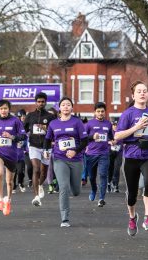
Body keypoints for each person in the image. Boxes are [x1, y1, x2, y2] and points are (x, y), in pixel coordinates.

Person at [114, 80, 148, 236]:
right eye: (139, 91)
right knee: (132, 193)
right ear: (133, 95)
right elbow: (118, 136)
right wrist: (136, 127)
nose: (143, 93)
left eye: (145, 91)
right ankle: (132, 217)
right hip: (131, 156)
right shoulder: (128, 114)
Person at [43, 97, 88, 227]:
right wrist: (46, 150)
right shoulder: (53, 124)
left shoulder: (77, 122)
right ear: (60, 108)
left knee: (75, 191)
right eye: (63, 105)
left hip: (76, 159)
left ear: (72, 108)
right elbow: (47, 139)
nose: (66, 107)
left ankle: (75, 189)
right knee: (63, 187)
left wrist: (75, 151)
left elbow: (85, 141)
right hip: (59, 158)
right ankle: (65, 218)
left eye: (68, 105)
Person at [0, 99, 26, 216]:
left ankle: (8, 201)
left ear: (9, 109)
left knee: (9, 182)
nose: (3, 111)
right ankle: (0, 200)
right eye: (1, 109)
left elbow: (23, 136)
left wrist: (12, 136)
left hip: (12, 154)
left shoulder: (15, 121)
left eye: (5, 108)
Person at [24, 92, 56, 207]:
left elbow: (55, 131)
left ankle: (40, 184)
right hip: (33, 146)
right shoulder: (30, 116)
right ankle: (36, 197)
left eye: (42, 102)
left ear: (45, 102)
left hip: (46, 147)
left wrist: (47, 131)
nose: (40, 103)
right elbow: (23, 130)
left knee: (44, 172)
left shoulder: (51, 117)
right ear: (35, 102)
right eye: (38, 101)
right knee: (36, 169)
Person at [84, 102, 113, 207]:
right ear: (94, 112)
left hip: (104, 154)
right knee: (91, 177)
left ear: (105, 112)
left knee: (103, 175)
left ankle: (101, 198)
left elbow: (111, 137)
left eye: (102, 111)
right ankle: (93, 189)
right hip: (91, 154)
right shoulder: (89, 124)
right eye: (98, 111)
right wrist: (92, 137)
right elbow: (83, 138)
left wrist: (112, 141)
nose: (100, 113)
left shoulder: (108, 124)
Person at [13, 109, 27, 193]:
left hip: (21, 154)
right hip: (13, 153)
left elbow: (26, 139)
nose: (22, 118)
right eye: (21, 117)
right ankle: (13, 186)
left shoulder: (24, 128)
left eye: (23, 116)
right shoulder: (12, 128)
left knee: (20, 171)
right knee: (13, 171)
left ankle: (20, 183)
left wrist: (24, 146)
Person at [108, 121, 123, 193]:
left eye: (117, 125)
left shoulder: (121, 132)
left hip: (119, 153)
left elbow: (125, 140)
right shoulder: (109, 132)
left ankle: (116, 184)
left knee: (116, 169)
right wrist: (110, 142)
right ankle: (108, 183)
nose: (115, 126)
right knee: (110, 168)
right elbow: (105, 140)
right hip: (110, 152)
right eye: (114, 125)